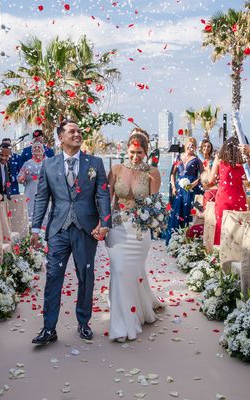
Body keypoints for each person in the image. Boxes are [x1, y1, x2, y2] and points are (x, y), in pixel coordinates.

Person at [30, 120, 111, 345]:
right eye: (71, 131)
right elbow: (41, 197)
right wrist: (36, 228)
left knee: (86, 276)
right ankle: (49, 328)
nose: (77, 134)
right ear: (61, 138)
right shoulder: (49, 164)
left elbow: (103, 194)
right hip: (58, 230)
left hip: (86, 229)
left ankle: (83, 323)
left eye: (78, 130)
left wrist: (105, 223)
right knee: (54, 277)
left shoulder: (95, 163)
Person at [106, 129, 163, 342]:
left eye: (139, 152)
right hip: (117, 228)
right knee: (119, 271)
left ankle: (131, 315)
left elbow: (155, 205)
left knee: (128, 273)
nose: (135, 156)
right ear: (125, 150)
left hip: (139, 231)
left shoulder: (153, 173)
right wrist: (102, 224)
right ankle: (122, 325)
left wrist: (151, 221)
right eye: (132, 151)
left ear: (146, 152)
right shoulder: (116, 170)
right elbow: (106, 200)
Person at [207, 137, 247, 245]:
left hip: (223, 198)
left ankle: (219, 254)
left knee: (221, 225)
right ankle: (236, 253)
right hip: (239, 198)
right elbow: (248, 180)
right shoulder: (243, 164)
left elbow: (211, 180)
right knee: (237, 227)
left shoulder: (219, 161)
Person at [165, 137, 203, 243]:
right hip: (178, 188)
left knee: (187, 211)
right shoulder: (179, 158)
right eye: (189, 145)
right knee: (177, 211)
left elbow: (203, 174)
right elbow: (173, 173)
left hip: (190, 189)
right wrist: (173, 186)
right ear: (185, 145)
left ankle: (186, 238)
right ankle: (174, 238)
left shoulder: (197, 160)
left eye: (193, 145)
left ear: (195, 147)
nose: (190, 147)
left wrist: (194, 184)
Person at [18, 141, 46, 222]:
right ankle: (31, 231)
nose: (37, 148)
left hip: (44, 191)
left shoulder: (48, 162)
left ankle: (44, 231)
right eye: (34, 147)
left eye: (39, 147)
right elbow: (20, 180)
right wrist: (25, 174)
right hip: (30, 191)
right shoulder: (27, 163)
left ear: (43, 150)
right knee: (30, 211)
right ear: (32, 151)